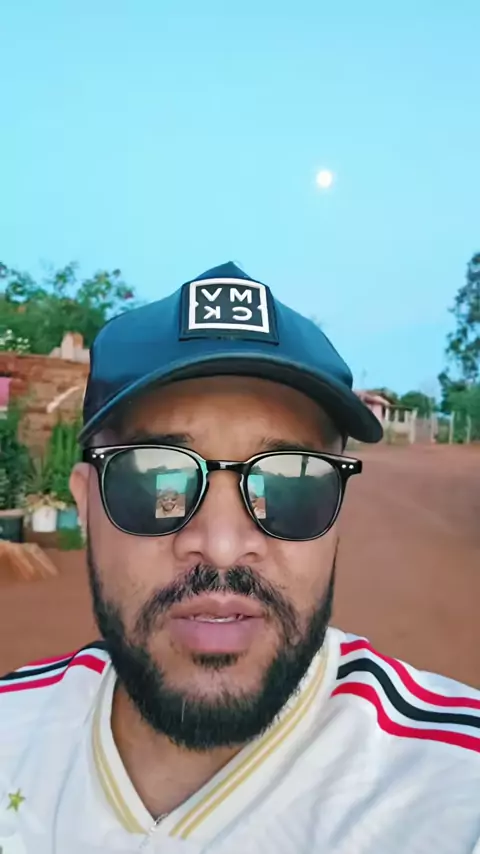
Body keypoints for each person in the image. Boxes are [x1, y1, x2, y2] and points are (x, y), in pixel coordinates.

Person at [0, 262, 478, 854]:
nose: (223, 547)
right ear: (85, 504)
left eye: (290, 482)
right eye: (156, 476)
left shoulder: (451, 785)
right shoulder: (12, 731)